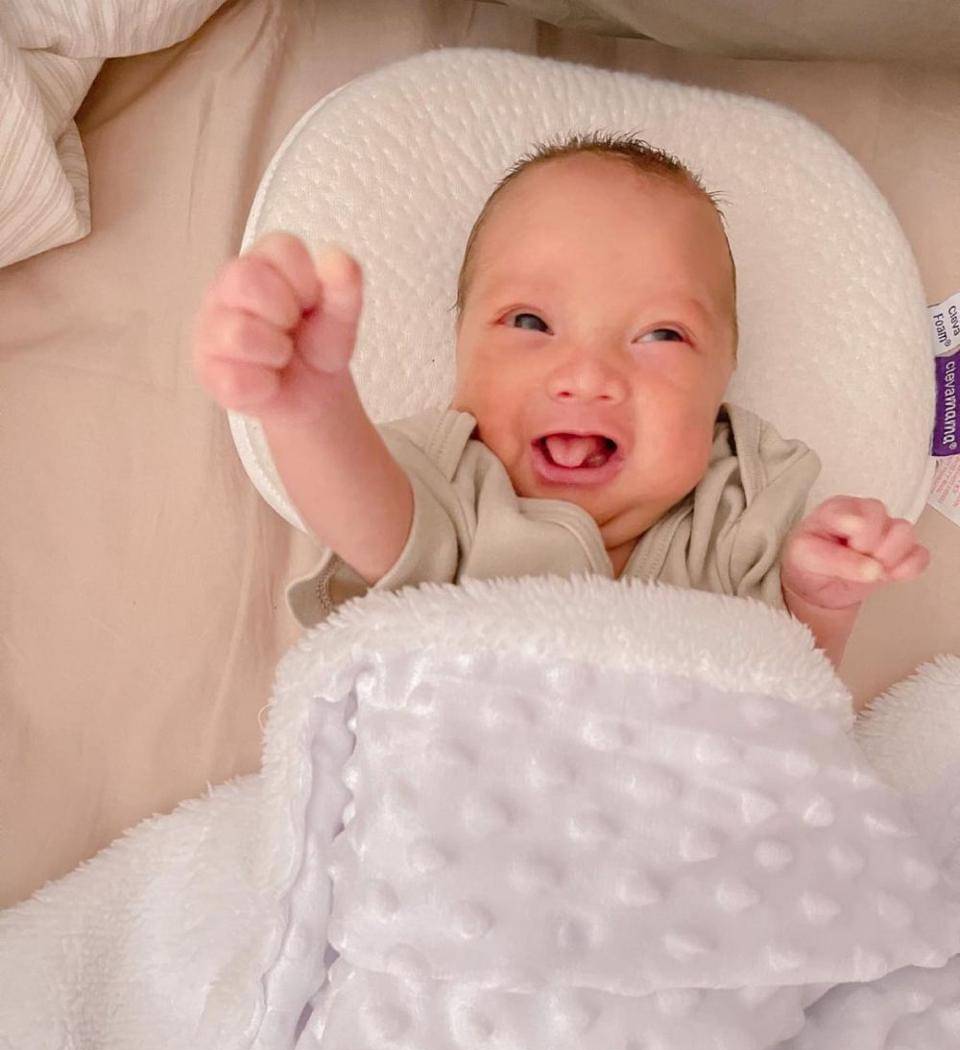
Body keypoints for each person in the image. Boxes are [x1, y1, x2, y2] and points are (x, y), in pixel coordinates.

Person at [192, 133, 930, 669]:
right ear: (461, 346)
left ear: (723, 377)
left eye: (660, 335)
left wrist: (818, 600)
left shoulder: (739, 512)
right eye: (530, 323)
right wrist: (313, 402)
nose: (587, 374)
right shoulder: (449, 487)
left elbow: (795, 690)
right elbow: (362, 513)